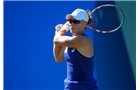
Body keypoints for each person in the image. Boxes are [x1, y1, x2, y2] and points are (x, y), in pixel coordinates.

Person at [53, 8, 99, 90]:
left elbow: (56, 40)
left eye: (76, 21)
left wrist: (63, 29)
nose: (71, 24)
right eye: (70, 21)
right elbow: (58, 58)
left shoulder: (83, 40)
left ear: (85, 24)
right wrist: (57, 33)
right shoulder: (71, 41)